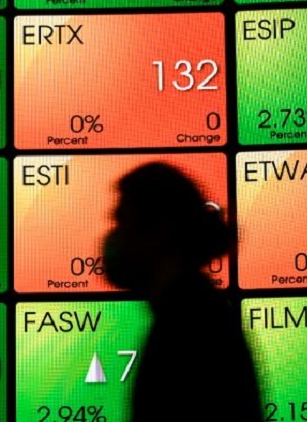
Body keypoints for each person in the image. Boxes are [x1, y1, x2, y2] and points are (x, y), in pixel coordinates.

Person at [103, 162, 261, 422]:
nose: (113, 238)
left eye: (121, 222)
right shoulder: (196, 311)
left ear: (160, 229)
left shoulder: (190, 325)